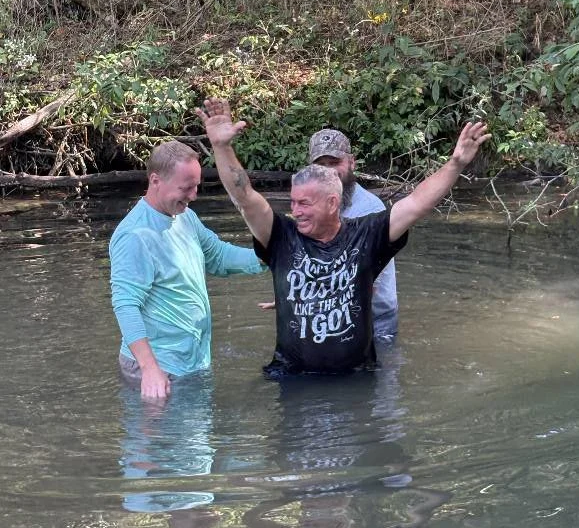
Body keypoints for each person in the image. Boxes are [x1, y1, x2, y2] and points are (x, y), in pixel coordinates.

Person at [196, 97, 490, 378]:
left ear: (332, 203)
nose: (295, 212)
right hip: (293, 377)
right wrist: (222, 147)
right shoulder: (281, 236)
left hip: (356, 378)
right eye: (294, 202)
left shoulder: (367, 233)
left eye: (305, 204)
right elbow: (244, 197)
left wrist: (455, 164)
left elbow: (416, 204)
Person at [109, 140, 265, 401]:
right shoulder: (134, 235)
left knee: (194, 438)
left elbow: (218, 256)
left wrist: (269, 257)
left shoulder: (185, 217)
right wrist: (150, 369)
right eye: (186, 188)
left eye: (196, 186)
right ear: (155, 180)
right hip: (158, 369)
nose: (194, 196)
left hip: (192, 361)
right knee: (167, 440)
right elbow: (125, 305)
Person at [307, 128, 399, 339]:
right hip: (331, 314)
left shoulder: (369, 208)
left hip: (375, 321)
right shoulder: (311, 206)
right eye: (321, 165)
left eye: (334, 163)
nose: (329, 171)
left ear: (351, 162)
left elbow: (365, 274)